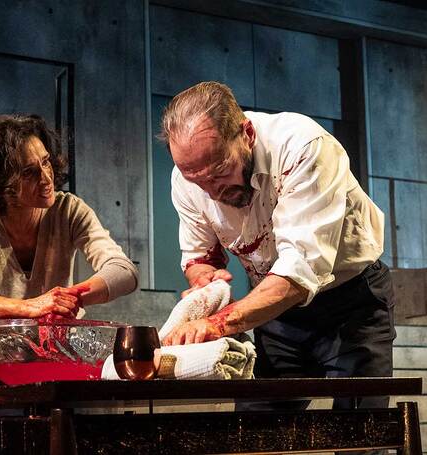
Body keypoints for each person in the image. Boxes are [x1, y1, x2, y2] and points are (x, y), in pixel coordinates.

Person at [160, 81, 394, 411]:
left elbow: (299, 271)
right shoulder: (186, 178)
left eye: (221, 173)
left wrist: (216, 324)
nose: (211, 192)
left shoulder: (303, 146)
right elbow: (201, 257)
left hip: (351, 301)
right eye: (197, 181)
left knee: (361, 432)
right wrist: (205, 283)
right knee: (257, 429)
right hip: (274, 312)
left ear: (247, 135)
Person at [0, 114, 139, 381]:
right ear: (0, 182)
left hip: (55, 346)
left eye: (46, 162)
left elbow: (123, 271)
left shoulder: (69, 210)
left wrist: (69, 297)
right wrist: (29, 307)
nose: (46, 177)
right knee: (1, 423)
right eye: (29, 172)